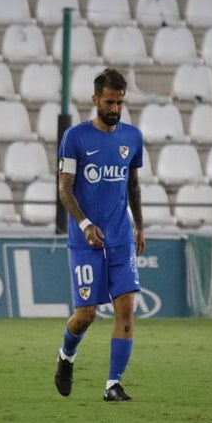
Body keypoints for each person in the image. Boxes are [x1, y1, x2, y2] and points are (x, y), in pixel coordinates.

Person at [53, 68, 145, 401]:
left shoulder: (132, 138)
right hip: (86, 241)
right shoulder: (75, 138)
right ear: (95, 99)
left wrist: (140, 225)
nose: (115, 109)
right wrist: (84, 224)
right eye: (109, 102)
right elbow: (65, 189)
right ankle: (66, 355)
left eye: (120, 103)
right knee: (86, 315)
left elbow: (132, 184)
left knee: (126, 309)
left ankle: (113, 384)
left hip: (120, 236)